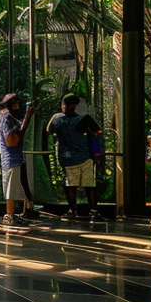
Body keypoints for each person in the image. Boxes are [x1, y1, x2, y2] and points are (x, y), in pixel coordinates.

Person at [49, 92, 100, 222]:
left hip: (68, 158)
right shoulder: (85, 119)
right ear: (76, 106)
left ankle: (73, 211)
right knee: (89, 185)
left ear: (63, 105)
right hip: (86, 157)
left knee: (71, 185)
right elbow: (97, 132)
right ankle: (93, 210)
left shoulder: (57, 119)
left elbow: (48, 130)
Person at [0, 93, 34, 229]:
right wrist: (24, 122)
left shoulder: (5, 117)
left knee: (16, 188)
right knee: (11, 190)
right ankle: (10, 215)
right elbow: (11, 141)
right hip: (12, 159)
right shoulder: (7, 117)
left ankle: (16, 214)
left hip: (14, 159)